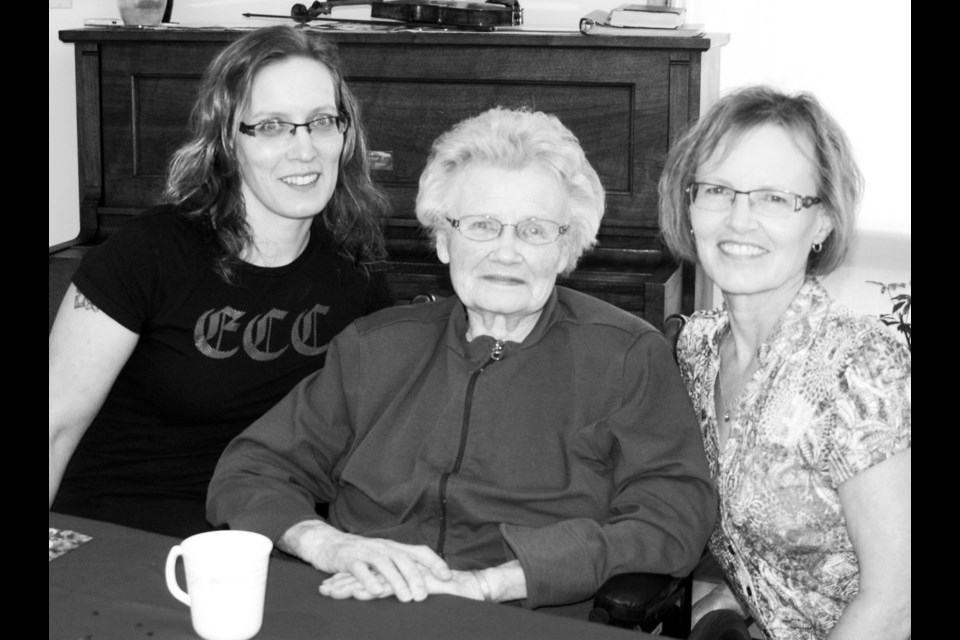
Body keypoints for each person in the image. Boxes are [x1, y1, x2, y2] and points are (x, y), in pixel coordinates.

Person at [207, 106, 716, 618]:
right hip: (359, 606)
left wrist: (491, 584)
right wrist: (330, 546)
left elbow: (673, 516)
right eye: (482, 225)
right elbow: (250, 470)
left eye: (535, 230)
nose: (506, 252)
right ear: (443, 240)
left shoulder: (626, 356)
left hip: (522, 617)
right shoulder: (373, 348)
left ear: (566, 250)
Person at [49, 25, 394, 539]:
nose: (304, 151)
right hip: (125, 525)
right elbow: (54, 426)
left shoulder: (357, 262)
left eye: (321, 122)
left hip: (275, 528)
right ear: (227, 140)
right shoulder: (147, 252)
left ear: (346, 135)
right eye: (272, 126)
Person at [658, 85, 911, 640]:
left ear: (821, 222)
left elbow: (896, 603)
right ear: (690, 204)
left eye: (774, 198)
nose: (739, 220)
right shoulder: (695, 351)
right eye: (719, 190)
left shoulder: (860, 367)